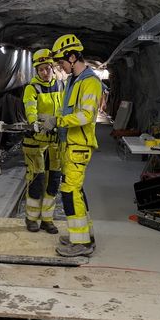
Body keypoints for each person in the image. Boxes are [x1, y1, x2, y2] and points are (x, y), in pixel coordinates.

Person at [43, 34, 101, 257]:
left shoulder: (91, 82)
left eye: (62, 62)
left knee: (69, 192)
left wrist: (57, 122)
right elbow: (66, 111)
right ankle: (84, 235)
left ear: (74, 56)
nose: (60, 66)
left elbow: (86, 116)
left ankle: (82, 244)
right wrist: (50, 121)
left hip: (79, 145)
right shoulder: (72, 81)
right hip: (70, 144)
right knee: (77, 191)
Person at [22, 49, 63, 234]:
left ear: (53, 68)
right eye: (41, 70)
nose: (45, 73)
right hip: (36, 141)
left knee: (53, 181)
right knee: (37, 180)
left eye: (47, 68)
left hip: (55, 142)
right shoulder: (32, 88)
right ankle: (31, 218)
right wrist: (35, 123)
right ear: (36, 71)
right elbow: (30, 109)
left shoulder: (61, 86)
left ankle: (47, 219)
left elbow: (65, 109)